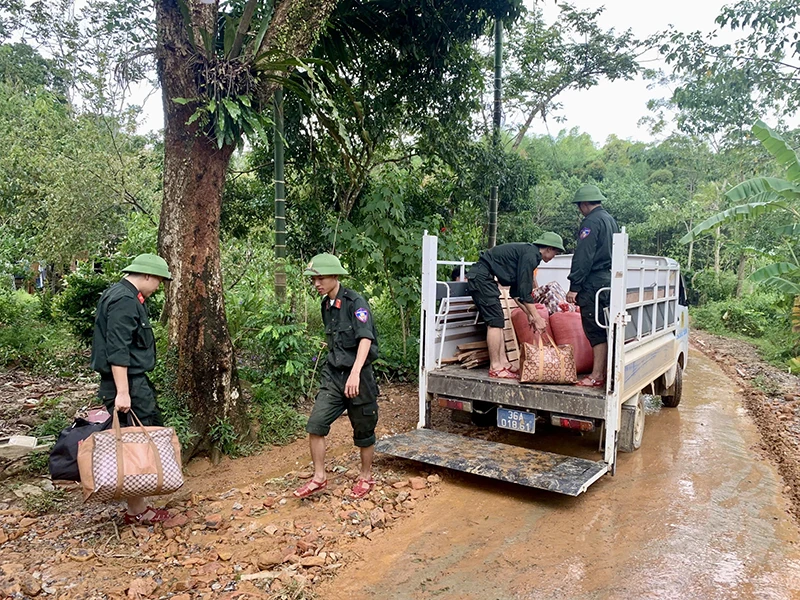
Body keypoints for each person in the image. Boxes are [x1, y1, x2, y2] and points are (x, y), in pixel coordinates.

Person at [90, 253, 173, 524]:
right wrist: (123, 391)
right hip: (127, 383)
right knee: (137, 439)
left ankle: (138, 505)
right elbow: (118, 349)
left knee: (135, 439)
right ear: (147, 275)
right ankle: (137, 511)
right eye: (159, 281)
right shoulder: (125, 300)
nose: (158, 287)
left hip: (130, 381)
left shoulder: (121, 295)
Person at [294, 253, 380, 500]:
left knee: (364, 430)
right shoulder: (326, 305)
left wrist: (354, 374)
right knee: (316, 424)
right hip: (333, 374)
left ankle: (365, 476)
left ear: (335, 276)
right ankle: (319, 477)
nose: (316, 284)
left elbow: (366, 339)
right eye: (314, 280)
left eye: (320, 278)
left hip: (359, 375)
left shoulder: (356, 303)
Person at [466, 233, 565, 379]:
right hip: (482, 278)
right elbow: (525, 293)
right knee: (495, 322)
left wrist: (530, 315)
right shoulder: (530, 255)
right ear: (549, 249)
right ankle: (495, 367)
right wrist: (537, 318)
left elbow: (516, 292)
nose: (553, 257)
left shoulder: (528, 253)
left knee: (498, 320)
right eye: (555, 254)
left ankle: (503, 364)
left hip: (485, 278)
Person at [566, 184, 620, 387]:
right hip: (607, 280)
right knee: (605, 327)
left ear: (585, 204)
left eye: (580, 206)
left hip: (593, 282)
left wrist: (574, 286)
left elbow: (583, 256)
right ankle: (604, 374)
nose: (580, 210)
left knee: (594, 328)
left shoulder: (591, 222)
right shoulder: (610, 220)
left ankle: (596, 375)